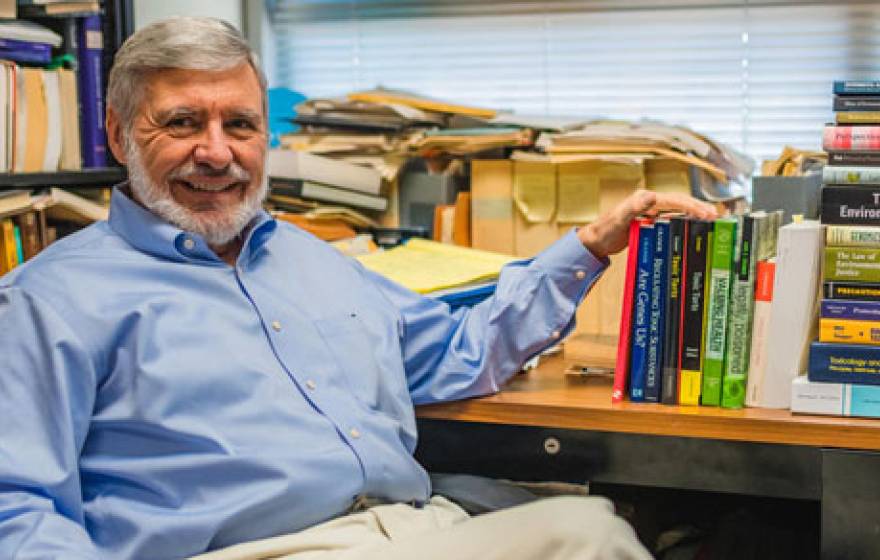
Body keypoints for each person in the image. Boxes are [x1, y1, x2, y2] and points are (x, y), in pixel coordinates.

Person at [0, 17, 716, 560]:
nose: (216, 152)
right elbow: (18, 510)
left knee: (618, 519)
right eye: (182, 123)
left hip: (410, 526)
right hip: (258, 550)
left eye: (239, 125)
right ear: (121, 135)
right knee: (584, 537)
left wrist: (593, 245)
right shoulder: (48, 302)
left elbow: (464, 351)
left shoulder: (318, 261)